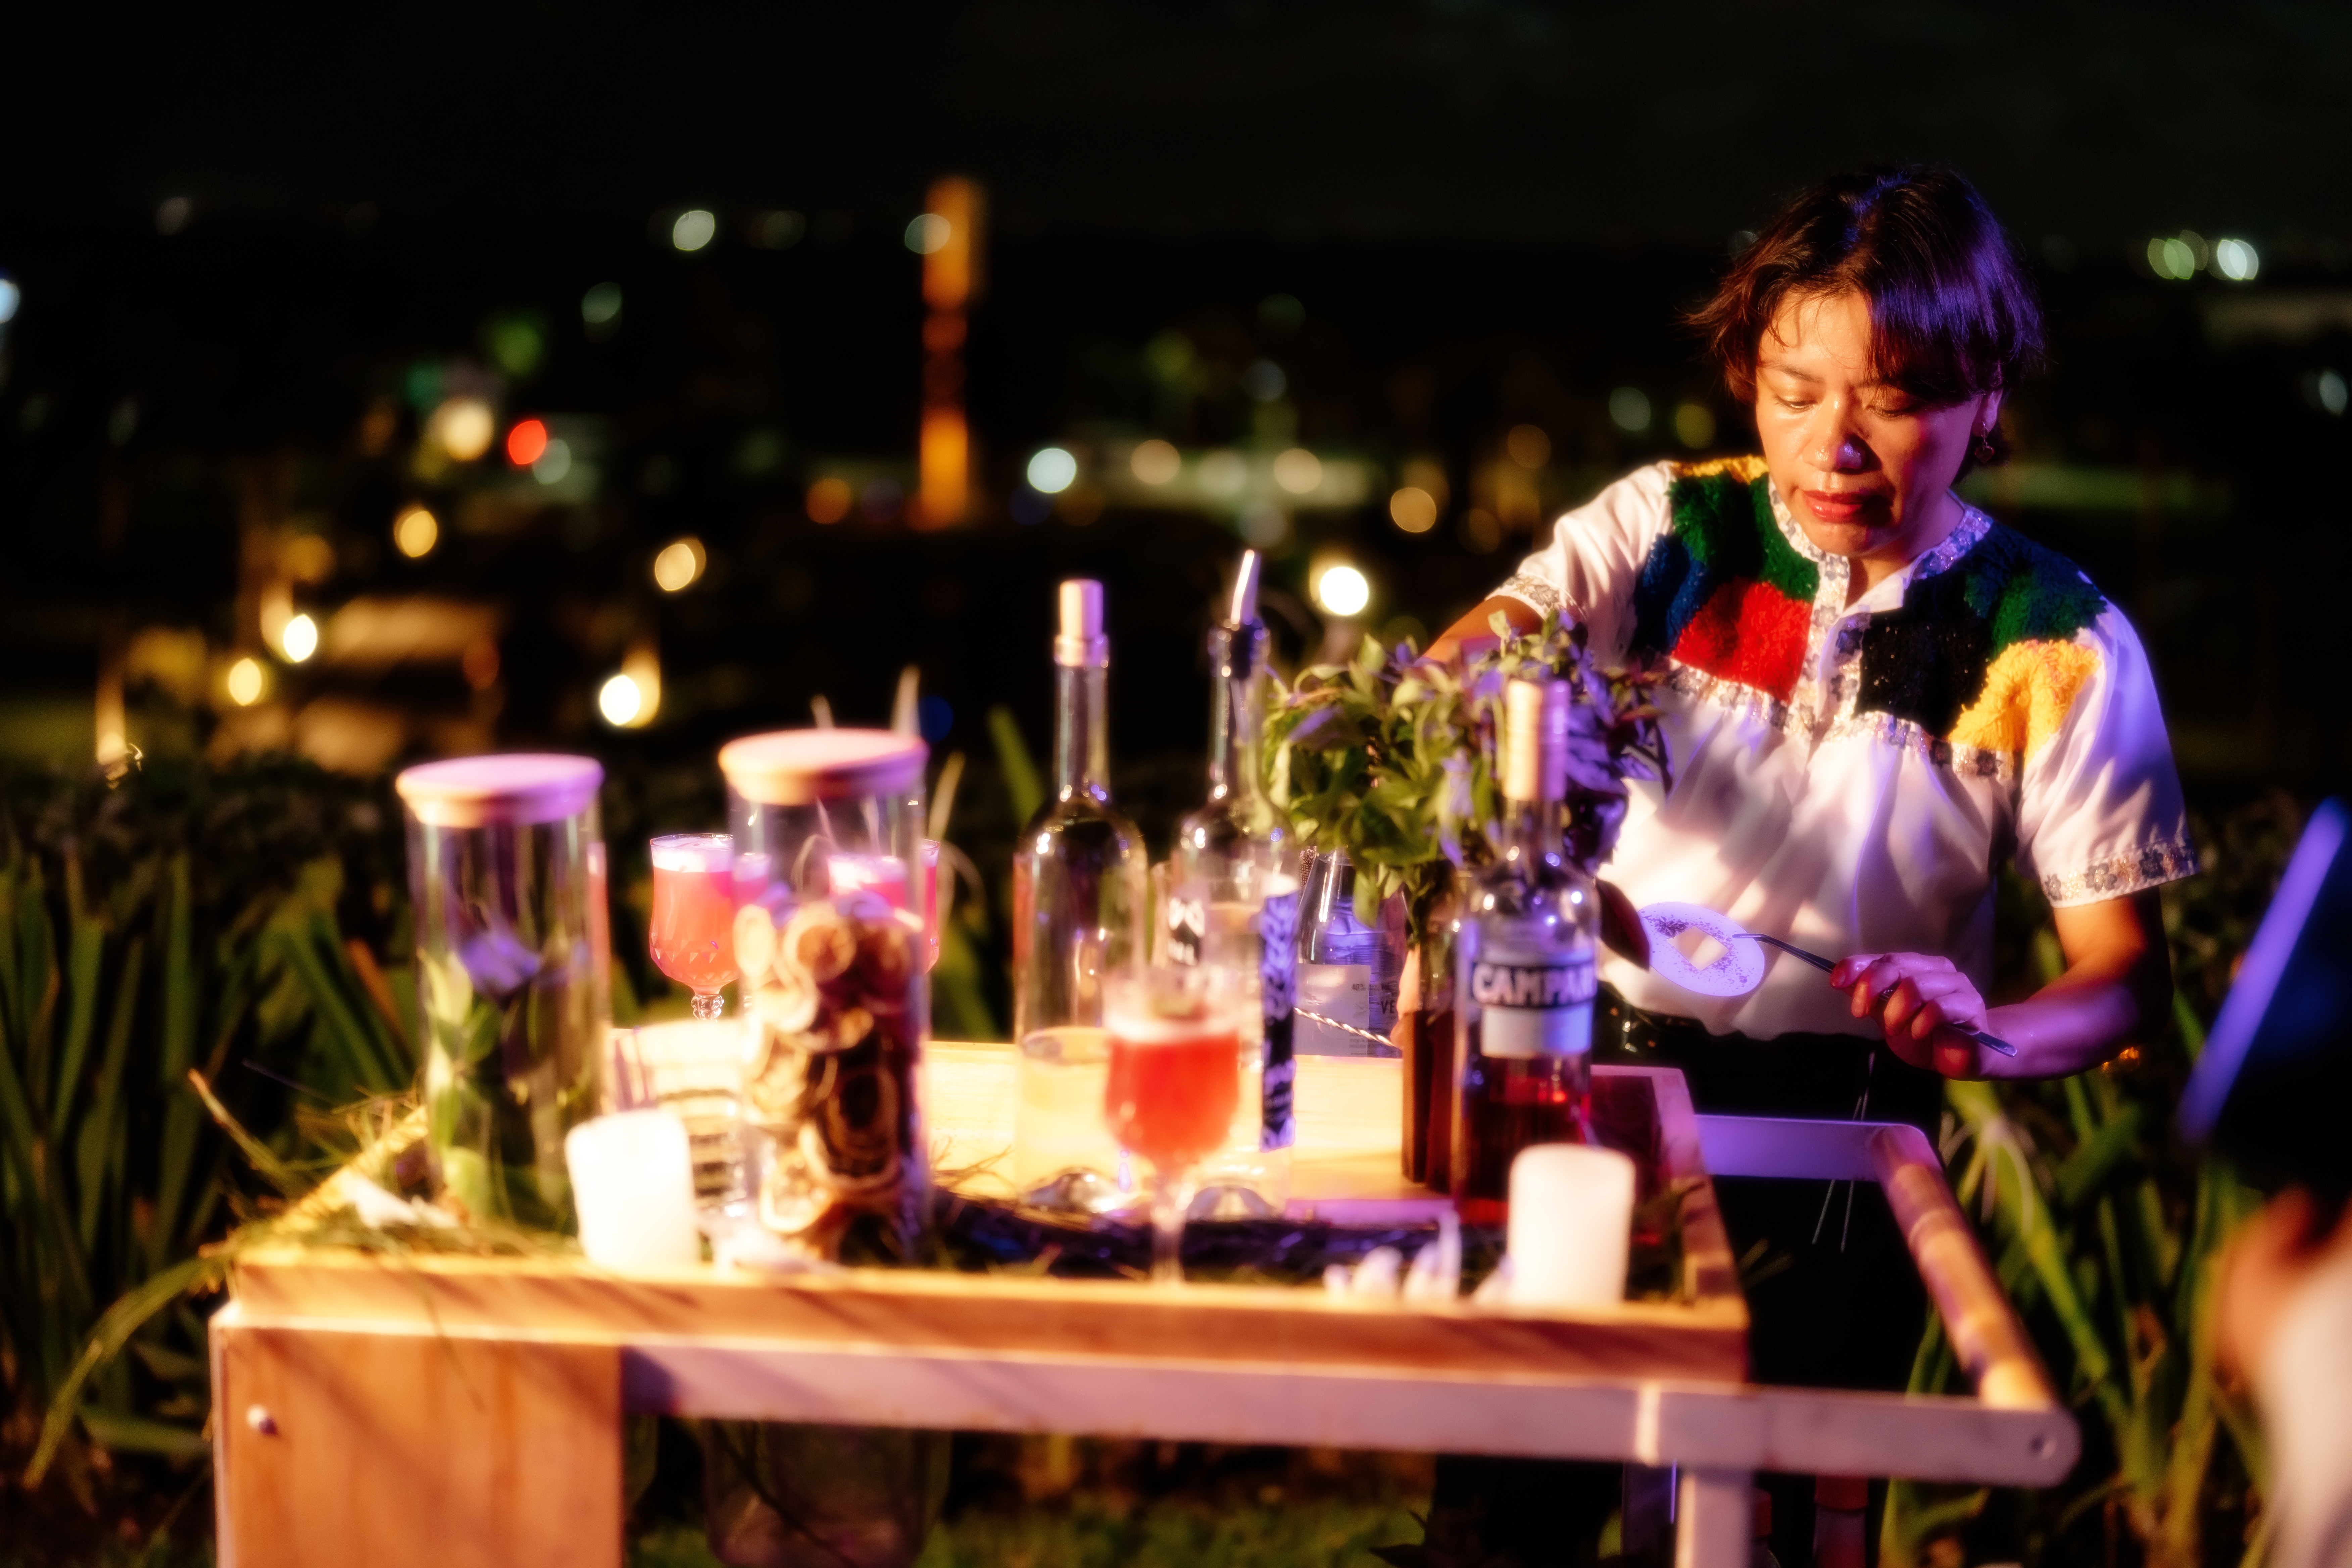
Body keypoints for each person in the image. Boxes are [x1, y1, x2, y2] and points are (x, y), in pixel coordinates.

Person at [1420, 164, 2196, 1565]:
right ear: (1748, 376)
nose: (1834, 445)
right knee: (1505, 1513)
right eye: (1796, 390)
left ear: (1987, 396)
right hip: (1589, 1074)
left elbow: (2126, 980)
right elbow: (1466, 660)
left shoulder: (2058, 635)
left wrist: (1988, 1032)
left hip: (1846, 1124)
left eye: (1893, 399)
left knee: (1770, 1531)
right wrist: (1511, 718)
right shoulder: (1666, 529)